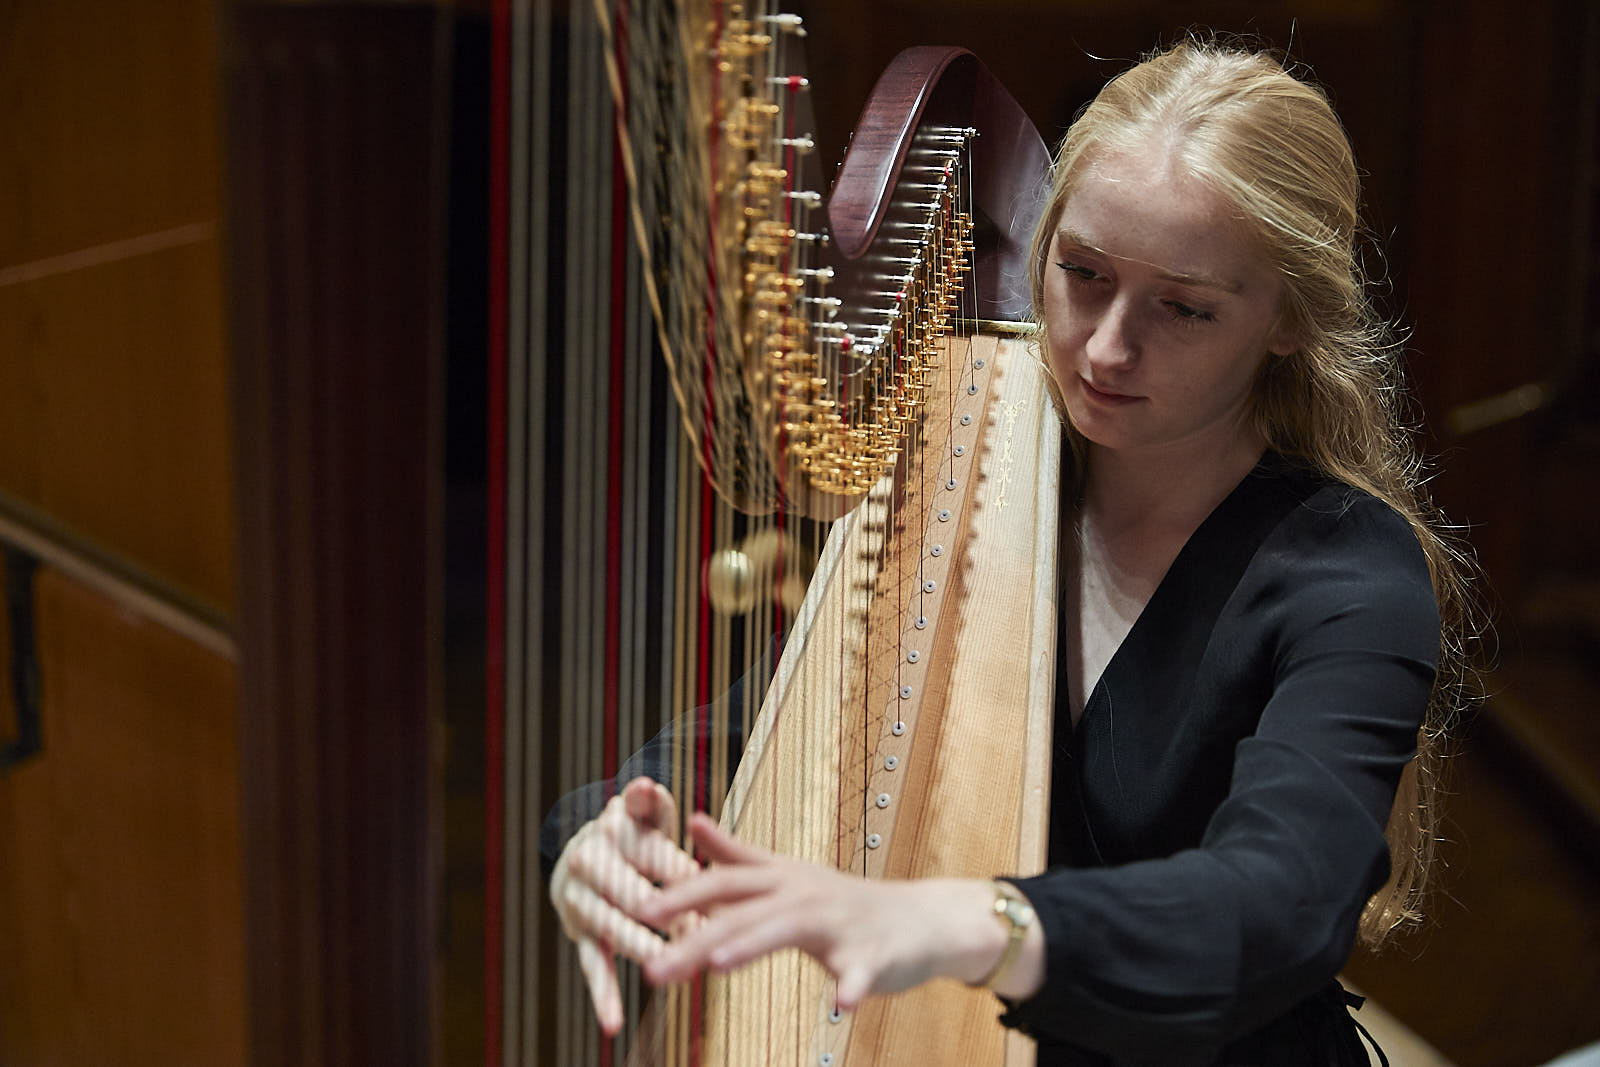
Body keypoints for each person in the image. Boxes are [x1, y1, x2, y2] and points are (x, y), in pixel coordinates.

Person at [547, 37, 1479, 1065]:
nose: (1106, 347)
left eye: (1182, 307)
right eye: (1080, 273)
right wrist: (616, 829)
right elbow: (760, 732)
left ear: (1288, 321)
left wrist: (957, 920)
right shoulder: (980, 467)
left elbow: (1275, 903)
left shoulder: (1348, 575)